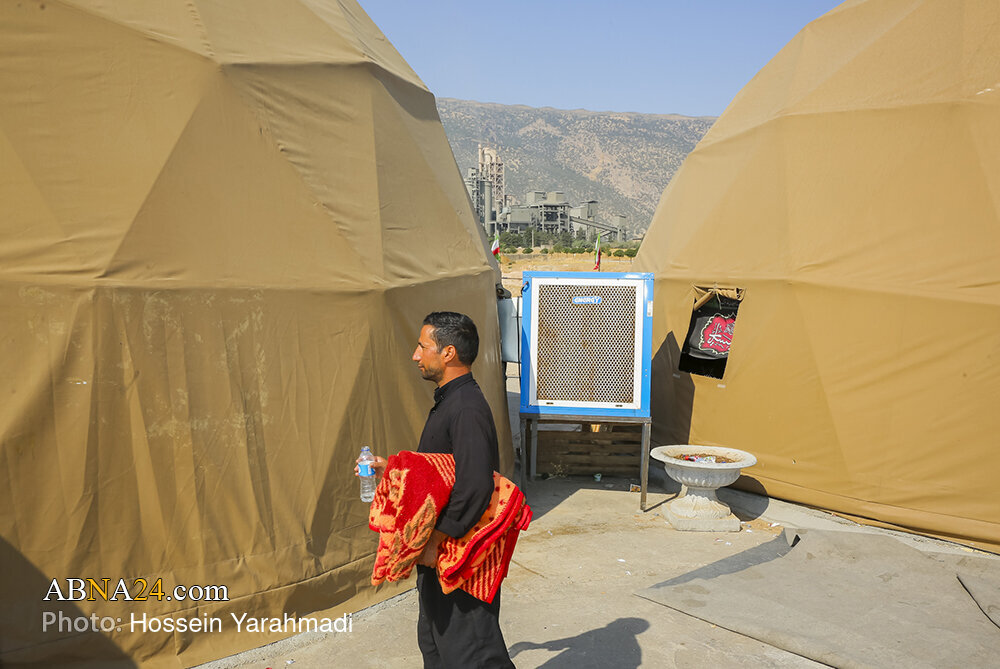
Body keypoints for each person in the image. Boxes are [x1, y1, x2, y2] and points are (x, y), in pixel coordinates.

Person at [360, 311, 514, 668]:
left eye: (423, 346)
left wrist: (434, 541)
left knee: (472, 654)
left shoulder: (466, 408)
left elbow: (474, 486)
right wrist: (390, 471)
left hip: (460, 559)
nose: (415, 355)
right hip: (440, 557)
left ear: (448, 353)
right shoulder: (449, 401)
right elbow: (440, 474)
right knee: (436, 646)